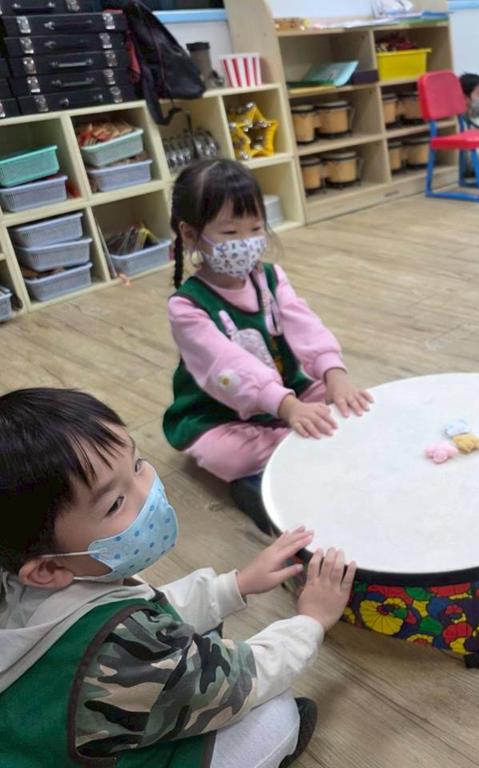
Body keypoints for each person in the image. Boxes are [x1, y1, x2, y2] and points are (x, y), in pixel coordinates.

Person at [0, 387, 357, 767]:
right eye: (115, 503)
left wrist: (235, 585)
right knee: (277, 715)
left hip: (40, 732)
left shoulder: (30, 582)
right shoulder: (120, 650)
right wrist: (311, 621)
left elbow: (145, 607)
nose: (148, 492)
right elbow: (240, 681)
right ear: (48, 569)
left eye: (137, 465)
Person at [162, 159, 372, 532]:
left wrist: (333, 373)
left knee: (350, 405)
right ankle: (280, 460)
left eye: (256, 228)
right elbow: (226, 364)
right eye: (230, 231)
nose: (247, 242)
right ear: (191, 234)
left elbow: (304, 324)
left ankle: (294, 446)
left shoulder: (271, 278)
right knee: (226, 455)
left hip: (288, 394)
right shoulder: (187, 306)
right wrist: (287, 408)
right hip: (219, 414)